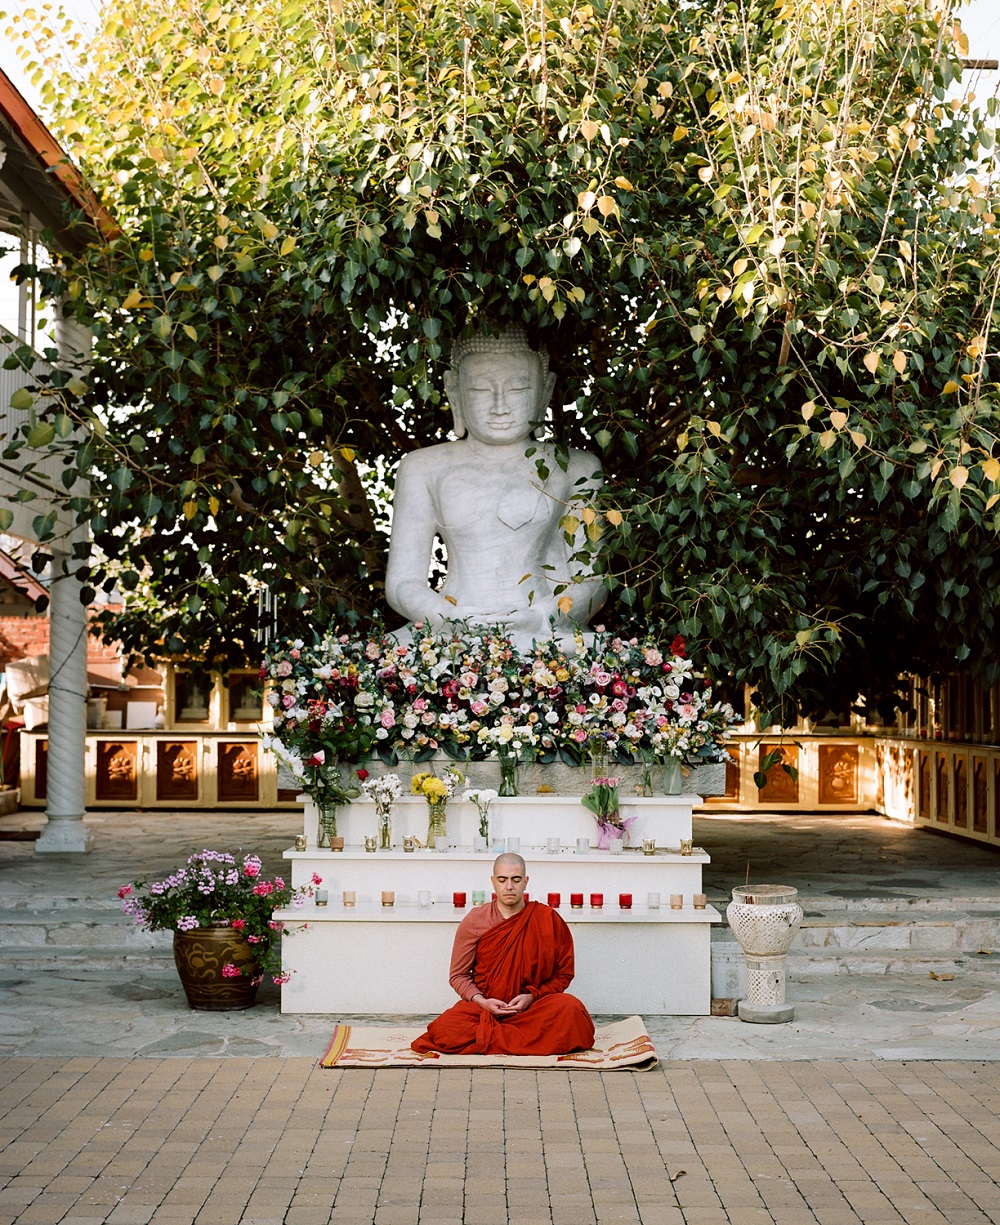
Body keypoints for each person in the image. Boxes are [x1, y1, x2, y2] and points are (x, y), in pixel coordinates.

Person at [384, 326, 608, 653]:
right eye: (479, 389)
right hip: (452, 626)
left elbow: (592, 579)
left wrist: (539, 616)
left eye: (518, 388)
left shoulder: (576, 467)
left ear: (545, 390)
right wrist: (450, 617)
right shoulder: (423, 467)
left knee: (592, 652)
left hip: (542, 628)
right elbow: (403, 583)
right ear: (453, 389)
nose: (500, 406)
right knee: (394, 654)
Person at [411, 853, 596, 1056]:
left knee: (572, 1010)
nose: (509, 886)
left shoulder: (547, 918)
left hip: (530, 1009)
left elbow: (564, 974)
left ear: (526, 882)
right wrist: (482, 1002)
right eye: (502, 879)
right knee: (445, 1029)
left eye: (516, 879)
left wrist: (532, 997)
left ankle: (493, 1038)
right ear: (493, 882)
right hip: (485, 1009)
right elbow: (458, 975)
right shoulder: (475, 920)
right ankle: (524, 1040)